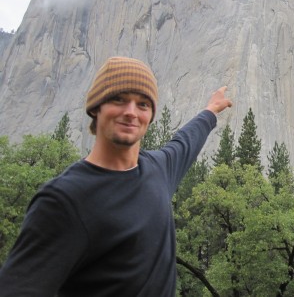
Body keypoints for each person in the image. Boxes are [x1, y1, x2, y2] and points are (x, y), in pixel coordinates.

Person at [0, 56, 232, 296]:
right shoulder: (64, 199)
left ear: (150, 116)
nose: (131, 112)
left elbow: (186, 141)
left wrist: (210, 110)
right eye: (119, 99)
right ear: (96, 107)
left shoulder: (159, 170)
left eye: (142, 104)